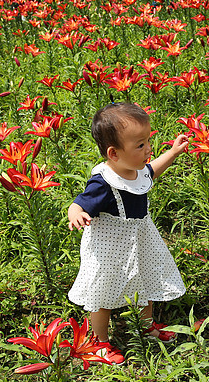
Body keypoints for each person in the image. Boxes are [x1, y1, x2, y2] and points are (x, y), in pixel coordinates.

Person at [66, 103, 190, 365]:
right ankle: (98, 341)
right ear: (113, 153)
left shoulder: (135, 169)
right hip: (109, 248)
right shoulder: (103, 182)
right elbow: (79, 202)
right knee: (103, 295)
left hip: (140, 239)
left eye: (147, 141)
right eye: (140, 145)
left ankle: (146, 326)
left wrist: (174, 152)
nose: (148, 149)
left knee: (145, 282)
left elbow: (152, 170)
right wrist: (75, 214)